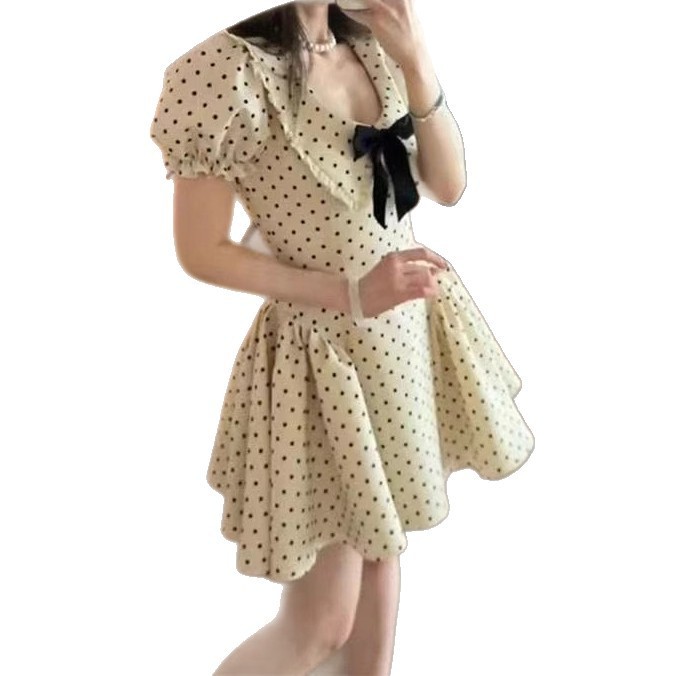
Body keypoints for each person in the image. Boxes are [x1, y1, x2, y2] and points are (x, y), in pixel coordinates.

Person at [149, 1, 535, 673]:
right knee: (323, 624)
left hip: (401, 341)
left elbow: (448, 185)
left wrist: (417, 58)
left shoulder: (376, 43)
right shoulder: (223, 71)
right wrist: (351, 293)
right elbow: (200, 250)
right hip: (321, 358)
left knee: (382, 563)